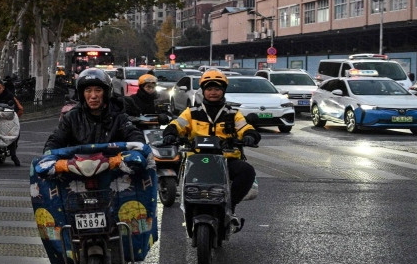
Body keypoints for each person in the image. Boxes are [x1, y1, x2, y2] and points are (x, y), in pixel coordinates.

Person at [160, 69, 260, 211]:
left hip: (226, 160)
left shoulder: (233, 114)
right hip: (196, 160)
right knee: (191, 191)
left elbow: (245, 128)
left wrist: (250, 136)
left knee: (247, 171)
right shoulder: (191, 112)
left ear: (223, 90)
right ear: (203, 91)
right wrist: (170, 134)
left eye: (217, 89)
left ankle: (230, 205)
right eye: (209, 89)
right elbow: (176, 125)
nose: (213, 92)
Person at [43, 68, 144, 153]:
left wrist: (137, 150)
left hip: (111, 171)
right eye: (88, 91)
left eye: (98, 90)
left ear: (106, 93)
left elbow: (134, 136)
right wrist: (48, 155)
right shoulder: (71, 117)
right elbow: (55, 140)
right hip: (76, 172)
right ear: (82, 94)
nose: (93, 96)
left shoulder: (119, 117)